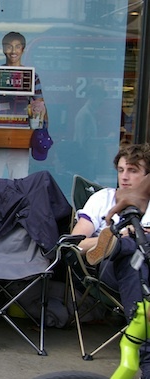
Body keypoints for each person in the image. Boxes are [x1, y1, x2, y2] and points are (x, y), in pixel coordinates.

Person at [72, 143, 150, 378]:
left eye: (133, 170)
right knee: (130, 258)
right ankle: (118, 243)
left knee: (137, 249)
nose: (124, 177)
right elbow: (77, 242)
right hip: (113, 269)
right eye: (121, 169)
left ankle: (121, 242)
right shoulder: (103, 199)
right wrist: (112, 241)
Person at [0, 31, 49, 179]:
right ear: (3, 49)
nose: (13, 51)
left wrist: (38, 115)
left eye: (17, 47)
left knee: (19, 181)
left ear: (23, 49)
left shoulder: (32, 77)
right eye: (9, 46)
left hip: (21, 135)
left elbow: (40, 105)